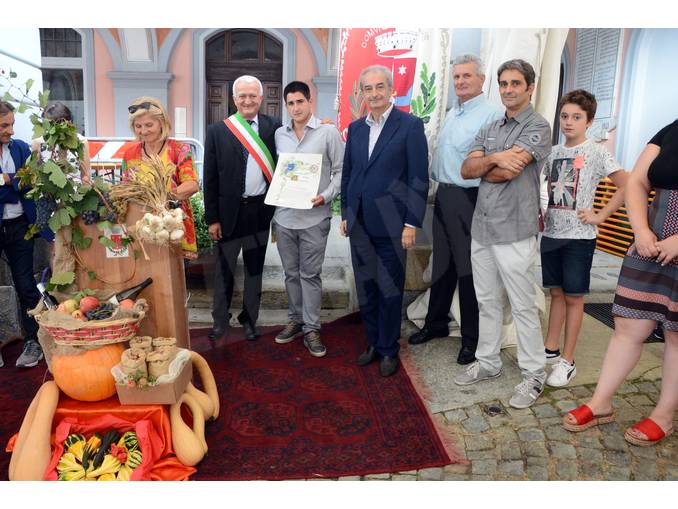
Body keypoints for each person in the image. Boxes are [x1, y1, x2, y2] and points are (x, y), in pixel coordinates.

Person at [563, 119, 678, 446]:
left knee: (676, 334)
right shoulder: (670, 129)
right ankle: (601, 402)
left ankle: (663, 415)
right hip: (649, 242)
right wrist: (641, 230)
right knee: (628, 325)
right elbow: (637, 182)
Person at [453, 59, 552, 409]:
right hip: (482, 227)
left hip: (515, 229)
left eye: (515, 83)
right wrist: (496, 158)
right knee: (487, 300)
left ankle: (534, 375)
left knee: (523, 306)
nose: (508, 90)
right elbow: (467, 169)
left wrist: (488, 163)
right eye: (504, 84)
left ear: (530, 87)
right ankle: (488, 362)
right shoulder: (490, 126)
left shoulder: (538, 126)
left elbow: (508, 172)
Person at [407, 54, 503, 365]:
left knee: (468, 271)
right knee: (442, 266)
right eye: (457, 76)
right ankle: (435, 323)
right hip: (445, 195)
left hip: (470, 198)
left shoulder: (492, 114)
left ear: (482, 79)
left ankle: (472, 340)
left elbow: (494, 163)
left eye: (466, 76)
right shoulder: (453, 112)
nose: (460, 81)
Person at [341, 65, 429, 377]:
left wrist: (411, 223)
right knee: (366, 287)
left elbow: (418, 177)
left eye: (380, 87)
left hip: (394, 224)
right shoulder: (356, 128)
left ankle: (390, 348)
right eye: (368, 88)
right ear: (362, 93)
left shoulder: (410, 126)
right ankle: (374, 342)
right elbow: (349, 174)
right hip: (360, 223)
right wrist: (346, 213)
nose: (374, 93)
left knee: (390, 288)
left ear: (392, 90)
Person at [541, 90, 627, 387]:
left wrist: (600, 216)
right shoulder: (553, 152)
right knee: (555, 293)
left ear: (589, 121)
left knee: (573, 296)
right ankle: (550, 349)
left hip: (579, 237)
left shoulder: (597, 152)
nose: (568, 122)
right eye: (564, 116)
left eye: (576, 117)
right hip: (551, 233)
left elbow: (627, 184)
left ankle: (568, 360)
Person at [203, 75, 281, 341]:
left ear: (261, 98)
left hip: (259, 212)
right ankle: (220, 319)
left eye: (253, 96)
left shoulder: (274, 127)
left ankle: (249, 319)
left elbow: (297, 138)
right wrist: (212, 218)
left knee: (254, 270)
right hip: (228, 215)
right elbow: (210, 177)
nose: (248, 101)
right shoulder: (217, 130)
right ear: (234, 99)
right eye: (242, 96)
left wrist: (322, 124)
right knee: (223, 270)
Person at [272, 81, 344, 357]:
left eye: (300, 101)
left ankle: (312, 328)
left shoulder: (328, 132)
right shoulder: (280, 134)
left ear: (310, 101)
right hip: (285, 217)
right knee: (291, 273)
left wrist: (325, 196)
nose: (295, 108)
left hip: (315, 218)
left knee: (310, 274)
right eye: (290, 103)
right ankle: (295, 319)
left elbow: (341, 170)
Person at [121, 97, 199, 260]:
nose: (143, 131)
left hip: (173, 225)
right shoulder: (129, 154)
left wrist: (161, 199)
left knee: (174, 272)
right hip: (141, 226)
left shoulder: (179, 149)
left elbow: (191, 185)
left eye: (149, 125)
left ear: (162, 123)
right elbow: (125, 189)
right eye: (138, 126)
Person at [0, 100, 43, 368]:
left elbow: (31, 180)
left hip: (20, 227)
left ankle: (34, 342)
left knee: (26, 286)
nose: (11, 130)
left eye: (12, 124)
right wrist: (14, 184)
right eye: (4, 125)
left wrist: (7, 180)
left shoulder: (21, 148)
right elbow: (20, 184)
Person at [33, 102, 91, 184]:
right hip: (48, 189)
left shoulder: (80, 141)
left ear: (68, 122)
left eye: (56, 124)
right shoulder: (39, 142)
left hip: (74, 188)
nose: (52, 128)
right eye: (49, 124)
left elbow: (86, 176)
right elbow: (35, 174)